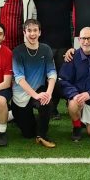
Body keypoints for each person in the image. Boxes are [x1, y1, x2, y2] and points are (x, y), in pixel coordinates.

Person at [11, 19, 57, 148]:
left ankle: (42, 135)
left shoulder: (45, 49)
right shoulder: (18, 51)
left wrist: (48, 93)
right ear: (24, 32)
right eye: (29, 31)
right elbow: (19, 78)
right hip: (22, 94)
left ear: (40, 32)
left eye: (35, 30)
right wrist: (34, 95)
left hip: (39, 89)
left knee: (46, 101)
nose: (32, 34)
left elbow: (52, 72)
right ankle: (13, 115)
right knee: (28, 133)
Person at [34, 0, 73, 120]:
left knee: (60, 78)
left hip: (63, 45)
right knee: (46, 78)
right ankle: (46, 107)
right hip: (44, 46)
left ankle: (55, 108)